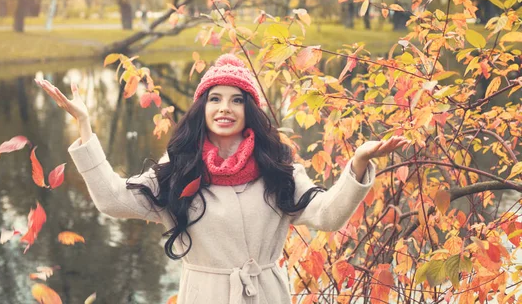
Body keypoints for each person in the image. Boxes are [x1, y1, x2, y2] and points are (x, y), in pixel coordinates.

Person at [35, 54, 407, 304]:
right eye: (215, 98)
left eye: (236, 100)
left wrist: (358, 164)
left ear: (250, 110)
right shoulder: (179, 168)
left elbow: (327, 215)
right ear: (203, 107)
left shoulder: (277, 168)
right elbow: (112, 200)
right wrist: (84, 126)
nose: (225, 108)